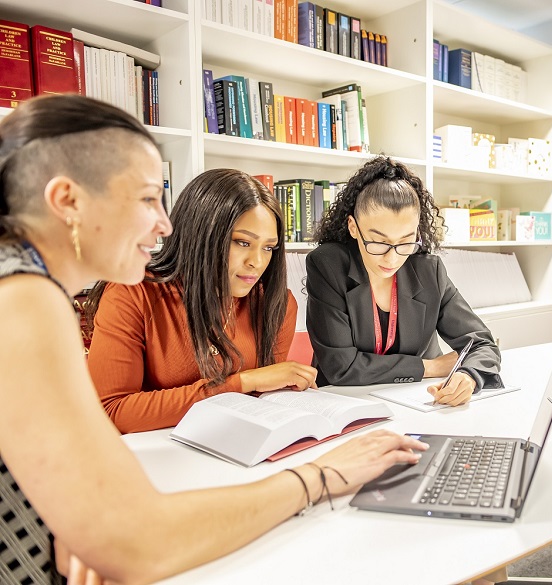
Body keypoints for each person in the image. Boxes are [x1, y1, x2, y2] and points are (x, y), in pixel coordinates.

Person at [0, 95, 426, 585]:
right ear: (67, 202)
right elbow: (140, 539)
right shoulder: (25, 298)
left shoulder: (24, 286)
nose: (164, 224)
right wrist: (322, 477)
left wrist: (84, 513)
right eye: (146, 199)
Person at [86, 169, 317, 433]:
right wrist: (239, 383)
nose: (257, 262)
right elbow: (111, 411)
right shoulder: (132, 293)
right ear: (200, 235)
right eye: (242, 242)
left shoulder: (277, 304)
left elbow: (266, 399)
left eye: (268, 247)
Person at [306, 156, 502, 407]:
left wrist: (468, 376)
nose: (392, 257)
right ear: (354, 228)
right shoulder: (328, 265)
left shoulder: (429, 270)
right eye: (378, 242)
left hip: (416, 403)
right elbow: (342, 367)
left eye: (405, 242)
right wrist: (429, 367)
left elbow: (481, 344)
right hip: (345, 405)